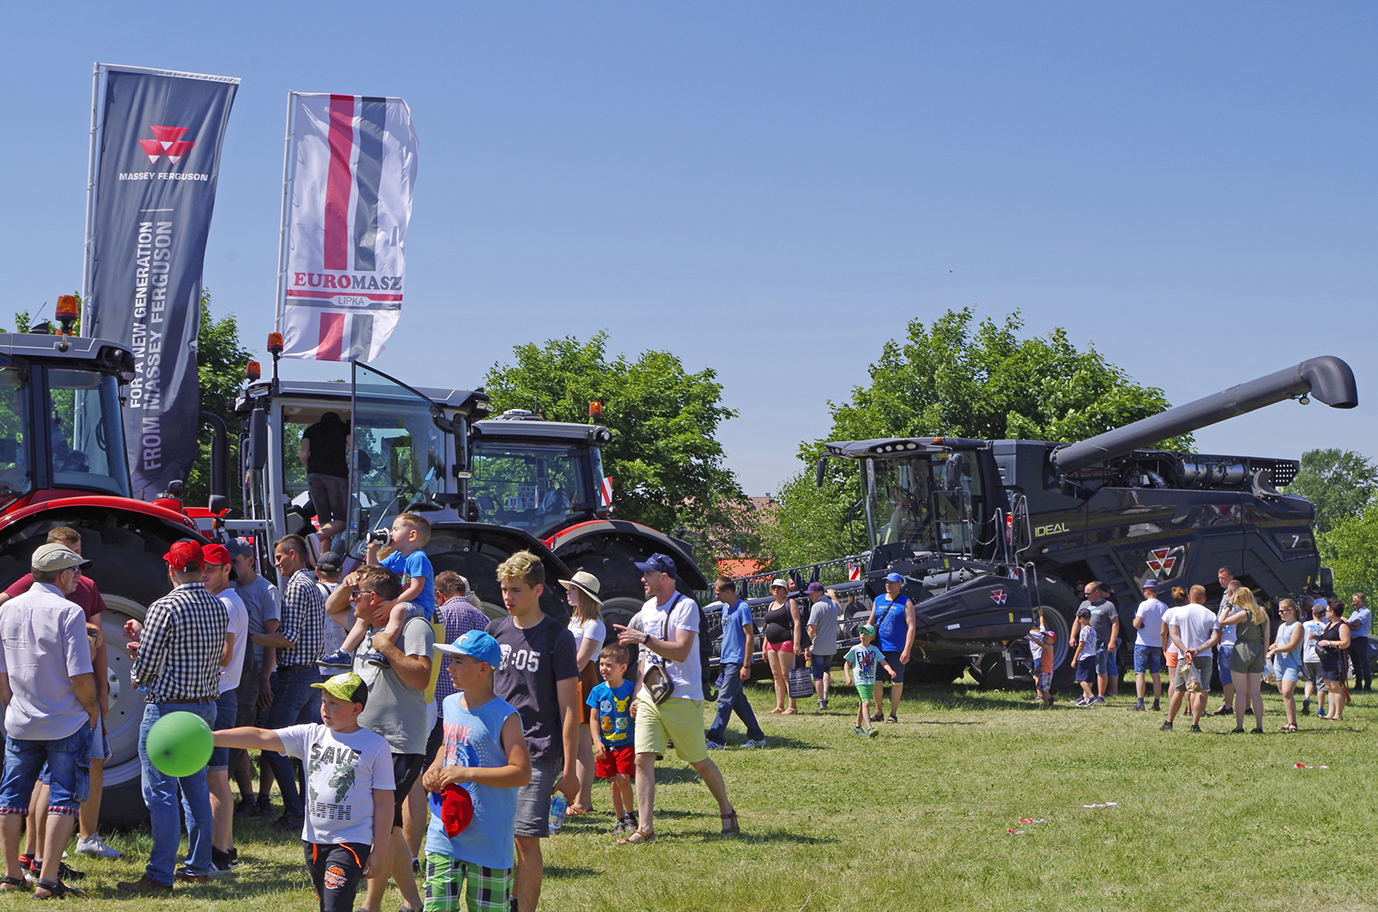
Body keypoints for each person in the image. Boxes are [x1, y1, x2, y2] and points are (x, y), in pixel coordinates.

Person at [215, 672, 394, 912]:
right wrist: (212, 738)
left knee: (335, 907)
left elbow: (384, 803)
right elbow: (261, 736)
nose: (325, 708)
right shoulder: (311, 734)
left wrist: (379, 851)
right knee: (326, 904)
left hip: (351, 841)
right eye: (324, 701)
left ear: (356, 709)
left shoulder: (376, 746)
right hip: (314, 841)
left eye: (334, 703)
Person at [0, 526, 119, 862]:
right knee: (62, 796)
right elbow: (80, 673)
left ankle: (16, 870)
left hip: (23, 718)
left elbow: (3, 673)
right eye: (74, 566)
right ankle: (48, 872)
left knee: (13, 796)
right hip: (66, 717)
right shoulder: (67, 611)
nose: (79, 574)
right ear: (62, 573)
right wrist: (92, 708)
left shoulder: (10, 609)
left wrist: (13, 704)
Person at [118, 541, 229, 894]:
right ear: (201, 568)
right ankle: (198, 866)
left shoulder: (164, 606)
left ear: (172, 570)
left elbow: (147, 667)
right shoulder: (217, 605)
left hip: (168, 709)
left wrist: (137, 664)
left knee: (160, 793)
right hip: (204, 706)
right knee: (195, 787)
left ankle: (160, 873)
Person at [323, 564, 432, 912]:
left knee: (380, 825)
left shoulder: (412, 625)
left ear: (372, 598)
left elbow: (421, 676)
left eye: (357, 594)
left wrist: (385, 647)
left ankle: (374, 905)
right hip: (367, 742)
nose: (351, 599)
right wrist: (347, 583)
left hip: (397, 742)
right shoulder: (365, 625)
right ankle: (410, 903)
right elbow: (332, 607)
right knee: (390, 826)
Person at [614, 552, 739, 846]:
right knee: (642, 758)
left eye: (648, 574)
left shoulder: (687, 607)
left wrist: (643, 638)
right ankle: (645, 828)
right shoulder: (647, 608)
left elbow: (681, 650)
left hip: (682, 694)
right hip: (651, 695)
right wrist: (637, 694)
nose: (643, 579)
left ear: (664, 577)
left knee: (698, 760)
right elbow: (645, 658)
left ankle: (726, 811)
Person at [485, 551, 578, 912]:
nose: (508, 597)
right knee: (494, 837)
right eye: (504, 589)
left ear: (538, 589)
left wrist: (570, 770)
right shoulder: (496, 630)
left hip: (537, 750)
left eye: (516, 590)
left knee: (524, 838)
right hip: (494, 748)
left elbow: (569, 707)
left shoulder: (558, 637)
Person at [424, 631, 531, 912]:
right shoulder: (449, 704)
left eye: (458, 662)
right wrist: (435, 767)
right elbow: (448, 745)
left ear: (483, 668)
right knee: (437, 907)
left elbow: (521, 772)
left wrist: (467, 773)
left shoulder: (505, 715)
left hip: (488, 836)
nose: (449, 668)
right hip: (445, 828)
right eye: (450, 661)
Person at [259, 535, 328, 833]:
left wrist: (250, 637)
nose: (276, 563)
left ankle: (294, 813)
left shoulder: (297, 585)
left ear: (292, 554)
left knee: (272, 744)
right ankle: (306, 810)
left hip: (296, 676)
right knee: (304, 750)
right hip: (310, 674)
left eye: (278, 557)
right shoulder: (310, 583)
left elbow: (287, 638)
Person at [322, 514, 435, 670]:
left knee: (398, 610)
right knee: (364, 617)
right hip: (397, 604)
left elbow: (416, 588)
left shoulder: (418, 558)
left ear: (412, 535)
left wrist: (392, 603)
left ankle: (384, 650)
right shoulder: (396, 556)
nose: (391, 533)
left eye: (395, 529)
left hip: (418, 606)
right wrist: (371, 551)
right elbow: (374, 572)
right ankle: (344, 652)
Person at [202, 544, 248, 873]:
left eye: (211, 568)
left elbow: (223, 656)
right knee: (217, 778)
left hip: (220, 695)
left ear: (226, 570)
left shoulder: (225, 604)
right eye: (201, 567)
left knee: (215, 779)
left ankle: (219, 853)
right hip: (224, 694)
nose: (204, 573)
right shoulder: (228, 601)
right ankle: (226, 848)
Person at [227, 538, 281, 819]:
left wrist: (264, 678)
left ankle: (265, 799)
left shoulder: (266, 591)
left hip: (260, 672)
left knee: (267, 738)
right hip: (239, 673)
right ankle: (247, 797)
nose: (232, 568)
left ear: (250, 560)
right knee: (238, 737)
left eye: (235, 562)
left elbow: (273, 638)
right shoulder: (231, 588)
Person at [560, 570, 605, 817]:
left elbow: (580, 661)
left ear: (584, 595)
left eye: (573, 589)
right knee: (573, 744)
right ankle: (576, 800)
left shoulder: (594, 625)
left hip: (582, 681)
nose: (568, 592)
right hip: (570, 678)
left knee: (582, 746)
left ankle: (583, 801)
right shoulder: (576, 620)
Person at [705, 577, 766, 750]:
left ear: (728, 592)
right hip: (726, 660)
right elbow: (727, 636)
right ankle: (757, 737)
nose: (716, 595)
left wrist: (746, 665)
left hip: (737, 661)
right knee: (738, 701)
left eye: (718, 592)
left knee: (724, 699)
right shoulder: (725, 608)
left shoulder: (743, 608)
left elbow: (749, 636)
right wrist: (721, 662)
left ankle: (715, 739)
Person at [586, 644, 636, 834]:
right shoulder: (597, 691)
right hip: (606, 745)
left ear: (623, 668)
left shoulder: (631, 689)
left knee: (623, 779)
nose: (603, 669)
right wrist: (597, 741)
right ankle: (620, 819)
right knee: (614, 783)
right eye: (601, 664)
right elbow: (593, 719)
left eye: (609, 665)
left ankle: (630, 815)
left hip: (625, 743)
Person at [1164, 585, 1221, 733]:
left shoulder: (1179, 612)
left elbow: (1173, 634)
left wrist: (1185, 650)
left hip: (1185, 657)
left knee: (1179, 690)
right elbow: (1215, 637)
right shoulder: (1211, 615)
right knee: (1201, 691)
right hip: (1205, 656)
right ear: (1204, 599)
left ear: (1189, 597)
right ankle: (1195, 724)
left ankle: (1169, 722)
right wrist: (1198, 650)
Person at [866, 572, 915, 723]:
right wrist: (865, 640)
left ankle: (893, 714)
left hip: (897, 649)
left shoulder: (906, 602)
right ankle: (878, 712)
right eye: (887, 582)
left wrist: (907, 649)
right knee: (876, 680)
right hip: (878, 648)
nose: (888, 585)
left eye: (892, 582)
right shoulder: (878, 600)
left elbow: (911, 627)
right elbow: (870, 622)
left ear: (899, 584)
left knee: (896, 681)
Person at [300, 410, 351, 556]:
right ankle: (316, 538)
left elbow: (303, 454)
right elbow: (354, 450)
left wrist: (311, 467)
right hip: (337, 474)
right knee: (343, 520)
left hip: (314, 475)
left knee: (324, 521)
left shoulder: (310, 430)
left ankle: (323, 560)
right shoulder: (344, 428)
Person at [1221, 587, 1269, 733]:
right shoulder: (1262, 612)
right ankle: (1259, 726)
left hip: (1242, 648)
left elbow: (1222, 621)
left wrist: (1228, 605)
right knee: (1255, 692)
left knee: (1241, 691)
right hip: (1257, 648)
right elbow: (1267, 636)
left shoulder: (1244, 614)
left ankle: (1239, 726)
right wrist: (1264, 655)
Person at [842, 625, 894, 738]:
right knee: (866, 703)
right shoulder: (855, 649)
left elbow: (883, 661)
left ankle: (857, 727)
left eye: (866, 633)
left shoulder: (874, 650)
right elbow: (847, 663)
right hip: (860, 681)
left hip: (870, 681)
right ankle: (869, 728)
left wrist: (890, 670)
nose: (863, 635)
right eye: (861, 632)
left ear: (872, 637)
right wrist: (847, 676)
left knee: (862, 704)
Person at [760, 579, 801, 714]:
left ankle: (792, 706)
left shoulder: (790, 602)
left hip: (785, 641)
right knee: (776, 674)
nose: (776, 590)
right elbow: (768, 626)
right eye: (774, 587)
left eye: (779, 587)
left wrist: (796, 643)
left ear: (785, 590)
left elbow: (796, 623)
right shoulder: (771, 605)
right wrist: (764, 645)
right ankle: (779, 706)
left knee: (786, 674)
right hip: (771, 643)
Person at [1267, 599, 1305, 732]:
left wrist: (1275, 650)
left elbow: (1292, 645)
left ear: (1291, 611)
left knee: (1288, 692)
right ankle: (1289, 721)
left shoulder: (1298, 626)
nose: (1280, 613)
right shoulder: (1281, 627)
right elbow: (1277, 642)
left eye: (1282, 611)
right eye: (1279, 611)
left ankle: (1293, 723)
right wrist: (1273, 646)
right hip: (1279, 663)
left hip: (1291, 663)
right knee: (1283, 692)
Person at [804, 582, 842, 711]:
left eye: (812, 594)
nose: (810, 597)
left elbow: (811, 629)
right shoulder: (832, 604)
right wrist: (833, 596)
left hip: (817, 647)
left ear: (820, 593)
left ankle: (821, 700)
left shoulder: (816, 607)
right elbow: (840, 610)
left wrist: (806, 647)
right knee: (826, 671)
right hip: (831, 646)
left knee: (817, 675)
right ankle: (825, 694)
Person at [1130, 579, 1167, 712]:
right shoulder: (1164, 607)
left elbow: (1136, 624)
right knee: (1155, 673)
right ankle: (1156, 702)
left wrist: (1135, 619)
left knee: (1140, 673)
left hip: (1143, 642)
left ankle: (1140, 703)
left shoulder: (1144, 605)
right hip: (1157, 643)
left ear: (1148, 591)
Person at [1080, 581, 1118, 704]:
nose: (1086, 596)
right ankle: (1085, 696)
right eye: (1085, 594)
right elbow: (1077, 620)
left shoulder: (1108, 605)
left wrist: (1112, 641)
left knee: (1101, 669)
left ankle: (1101, 696)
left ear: (1096, 592)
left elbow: (1115, 623)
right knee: (1087, 669)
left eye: (1088, 593)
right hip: (1087, 644)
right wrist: (1072, 636)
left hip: (1101, 642)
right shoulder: (1084, 604)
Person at [1315, 600, 1351, 722]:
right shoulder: (1329, 625)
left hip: (1337, 660)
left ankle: (1338, 714)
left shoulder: (1342, 626)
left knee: (1337, 687)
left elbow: (1345, 643)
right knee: (1329, 687)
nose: (1325, 612)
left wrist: (1329, 643)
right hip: (1326, 660)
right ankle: (1330, 713)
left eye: (1327, 610)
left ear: (1333, 612)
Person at [1212, 569, 1240, 717]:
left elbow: (1221, 620)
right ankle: (1244, 705)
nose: (1220, 581)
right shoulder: (1247, 605)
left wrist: (1216, 636)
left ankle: (1227, 705)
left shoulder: (1229, 600)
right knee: (1241, 677)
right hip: (1240, 644)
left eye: (1223, 578)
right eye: (1219, 578)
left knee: (1227, 677)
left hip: (1228, 643)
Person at [1160, 587, 1188, 726]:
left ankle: (1171, 708)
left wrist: (1164, 647)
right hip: (1186, 648)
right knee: (1188, 679)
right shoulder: (1188, 611)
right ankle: (1189, 708)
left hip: (1172, 649)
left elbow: (1163, 632)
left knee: (1173, 681)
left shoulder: (1169, 612)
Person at [1301, 597, 1327, 717]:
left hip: (1307, 657)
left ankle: (1307, 697)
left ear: (1313, 613)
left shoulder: (1305, 625)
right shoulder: (1324, 627)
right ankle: (1320, 709)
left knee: (1310, 680)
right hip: (1320, 657)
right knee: (1321, 683)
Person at [1026, 610, 1056, 707]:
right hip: (1042, 661)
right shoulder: (1042, 631)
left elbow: (1039, 644)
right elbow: (1042, 623)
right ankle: (1047, 700)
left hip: (1038, 659)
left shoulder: (1033, 634)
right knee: (1041, 683)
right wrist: (1041, 615)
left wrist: (1029, 635)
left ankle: (1041, 697)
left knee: (1039, 680)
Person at [1071, 607, 1098, 706]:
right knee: (1089, 678)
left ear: (1082, 618)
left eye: (1079, 618)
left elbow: (1081, 645)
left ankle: (1091, 696)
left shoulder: (1084, 630)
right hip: (1092, 655)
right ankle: (1085, 698)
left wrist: (1074, 659)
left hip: (1084, 656)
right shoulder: (1093, 630)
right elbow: (1095, 644)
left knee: (1080, 678)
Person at [1347, 593, 1371, 691]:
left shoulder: (1366, 612)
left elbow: (1355, 623)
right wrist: (1352, 627)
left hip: (1361, 640)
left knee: (1363, 663)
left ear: (1360, 602)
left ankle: (1367, 685)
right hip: (1353, 640)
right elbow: (1348, 624)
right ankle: (1358, 684)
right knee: (1355, 662)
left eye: (1354, 601)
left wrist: (1352, 626)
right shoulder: (1355, 613)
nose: (1352, 603)